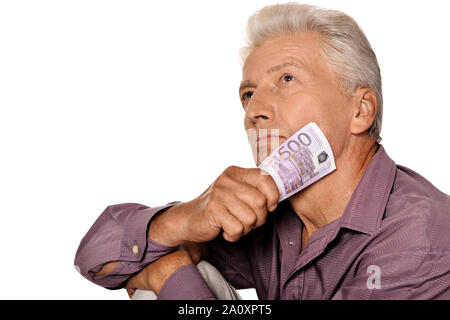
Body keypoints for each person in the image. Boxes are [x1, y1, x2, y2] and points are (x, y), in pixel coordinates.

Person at [74, 3, 450, 299]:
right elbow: (96, 258)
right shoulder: (273, 216)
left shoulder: (422, 239)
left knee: (169, 278)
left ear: (360, 110)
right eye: (248, 94)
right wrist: (183, 220)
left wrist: (170, 278)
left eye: (287, 79)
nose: (255, 111)